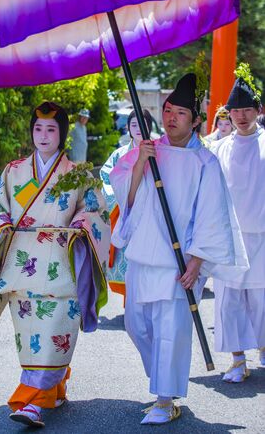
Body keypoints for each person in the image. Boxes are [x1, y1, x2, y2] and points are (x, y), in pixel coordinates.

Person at [109, 73, 248, 425]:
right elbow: (124, 192)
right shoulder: (149, 151)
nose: (171, 117)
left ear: (196, 120)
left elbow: (212, 214)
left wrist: (197, 260)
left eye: (180, 113)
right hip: (143, 254)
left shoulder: (205, 162)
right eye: (168, 110)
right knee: (136, 325)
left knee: (171, 328)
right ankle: (162, 380)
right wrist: (141, 161)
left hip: (179, 259)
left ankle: (165, 398)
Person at [0, 102, 110, 428]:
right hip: (22, 266)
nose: (43, 135)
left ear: (62, 133)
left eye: (51, 129)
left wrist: (81, 225)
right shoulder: (13, 171)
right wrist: (4, 221)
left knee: (55, 329)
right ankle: (54, 386)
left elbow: (95, 211)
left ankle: (30, 401)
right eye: (38, 129)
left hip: (61, 267)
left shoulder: (77, 174)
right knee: (30, 333)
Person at [211, 64, 265, 383]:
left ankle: (263, 348)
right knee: (229, 299)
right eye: (236, 110)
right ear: (228, 114)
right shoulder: (218, 148)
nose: (242, 116)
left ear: (258, 110)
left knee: (261, 297)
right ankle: (236, 359)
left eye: (247, 109)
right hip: (229, 237)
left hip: (262, 234)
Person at [100, 109, 153, 301]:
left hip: (150, 217)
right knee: (128, 264)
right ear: (128, 128)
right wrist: (122, 200)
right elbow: (106, 180)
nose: (138, 129)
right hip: (126, 216)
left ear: (150, 126)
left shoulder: (159, 152)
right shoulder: (119, 154)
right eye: (134, 125)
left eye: (143, 124)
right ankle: (131, 306)